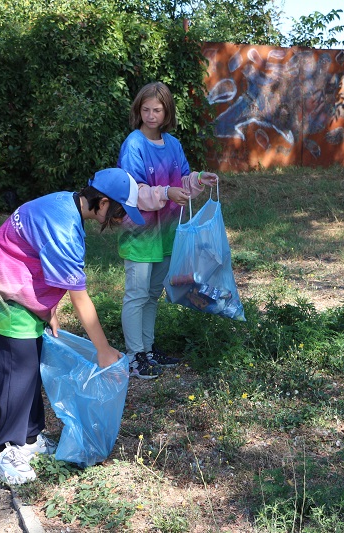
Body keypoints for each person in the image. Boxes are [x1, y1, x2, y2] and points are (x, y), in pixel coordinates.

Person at [0, 168, 144, 485]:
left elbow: (39, 255)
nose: (117, 221)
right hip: (4, 290)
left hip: (18, 285)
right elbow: (80, 298)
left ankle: (29, 440)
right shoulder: (66, 230)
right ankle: (3, 454)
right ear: (101, 202)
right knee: (14, 372)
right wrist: (103, 350)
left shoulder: (65, 201)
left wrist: (47, 310)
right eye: (117, 213)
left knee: (29, 367)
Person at [117, 81, 219, 378]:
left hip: (166, 234)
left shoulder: (173, 144)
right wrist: (166, 193)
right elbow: (132, 191)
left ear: (167, 112)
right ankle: (134, 356)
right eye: (145, 109)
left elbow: (183, 182)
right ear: (138, 111)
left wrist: (200, 179)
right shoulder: (133, 144)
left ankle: (147, 350)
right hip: (139, 233)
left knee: (151, 294)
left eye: (157, 110)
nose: (151, 115)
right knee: (136, 295)